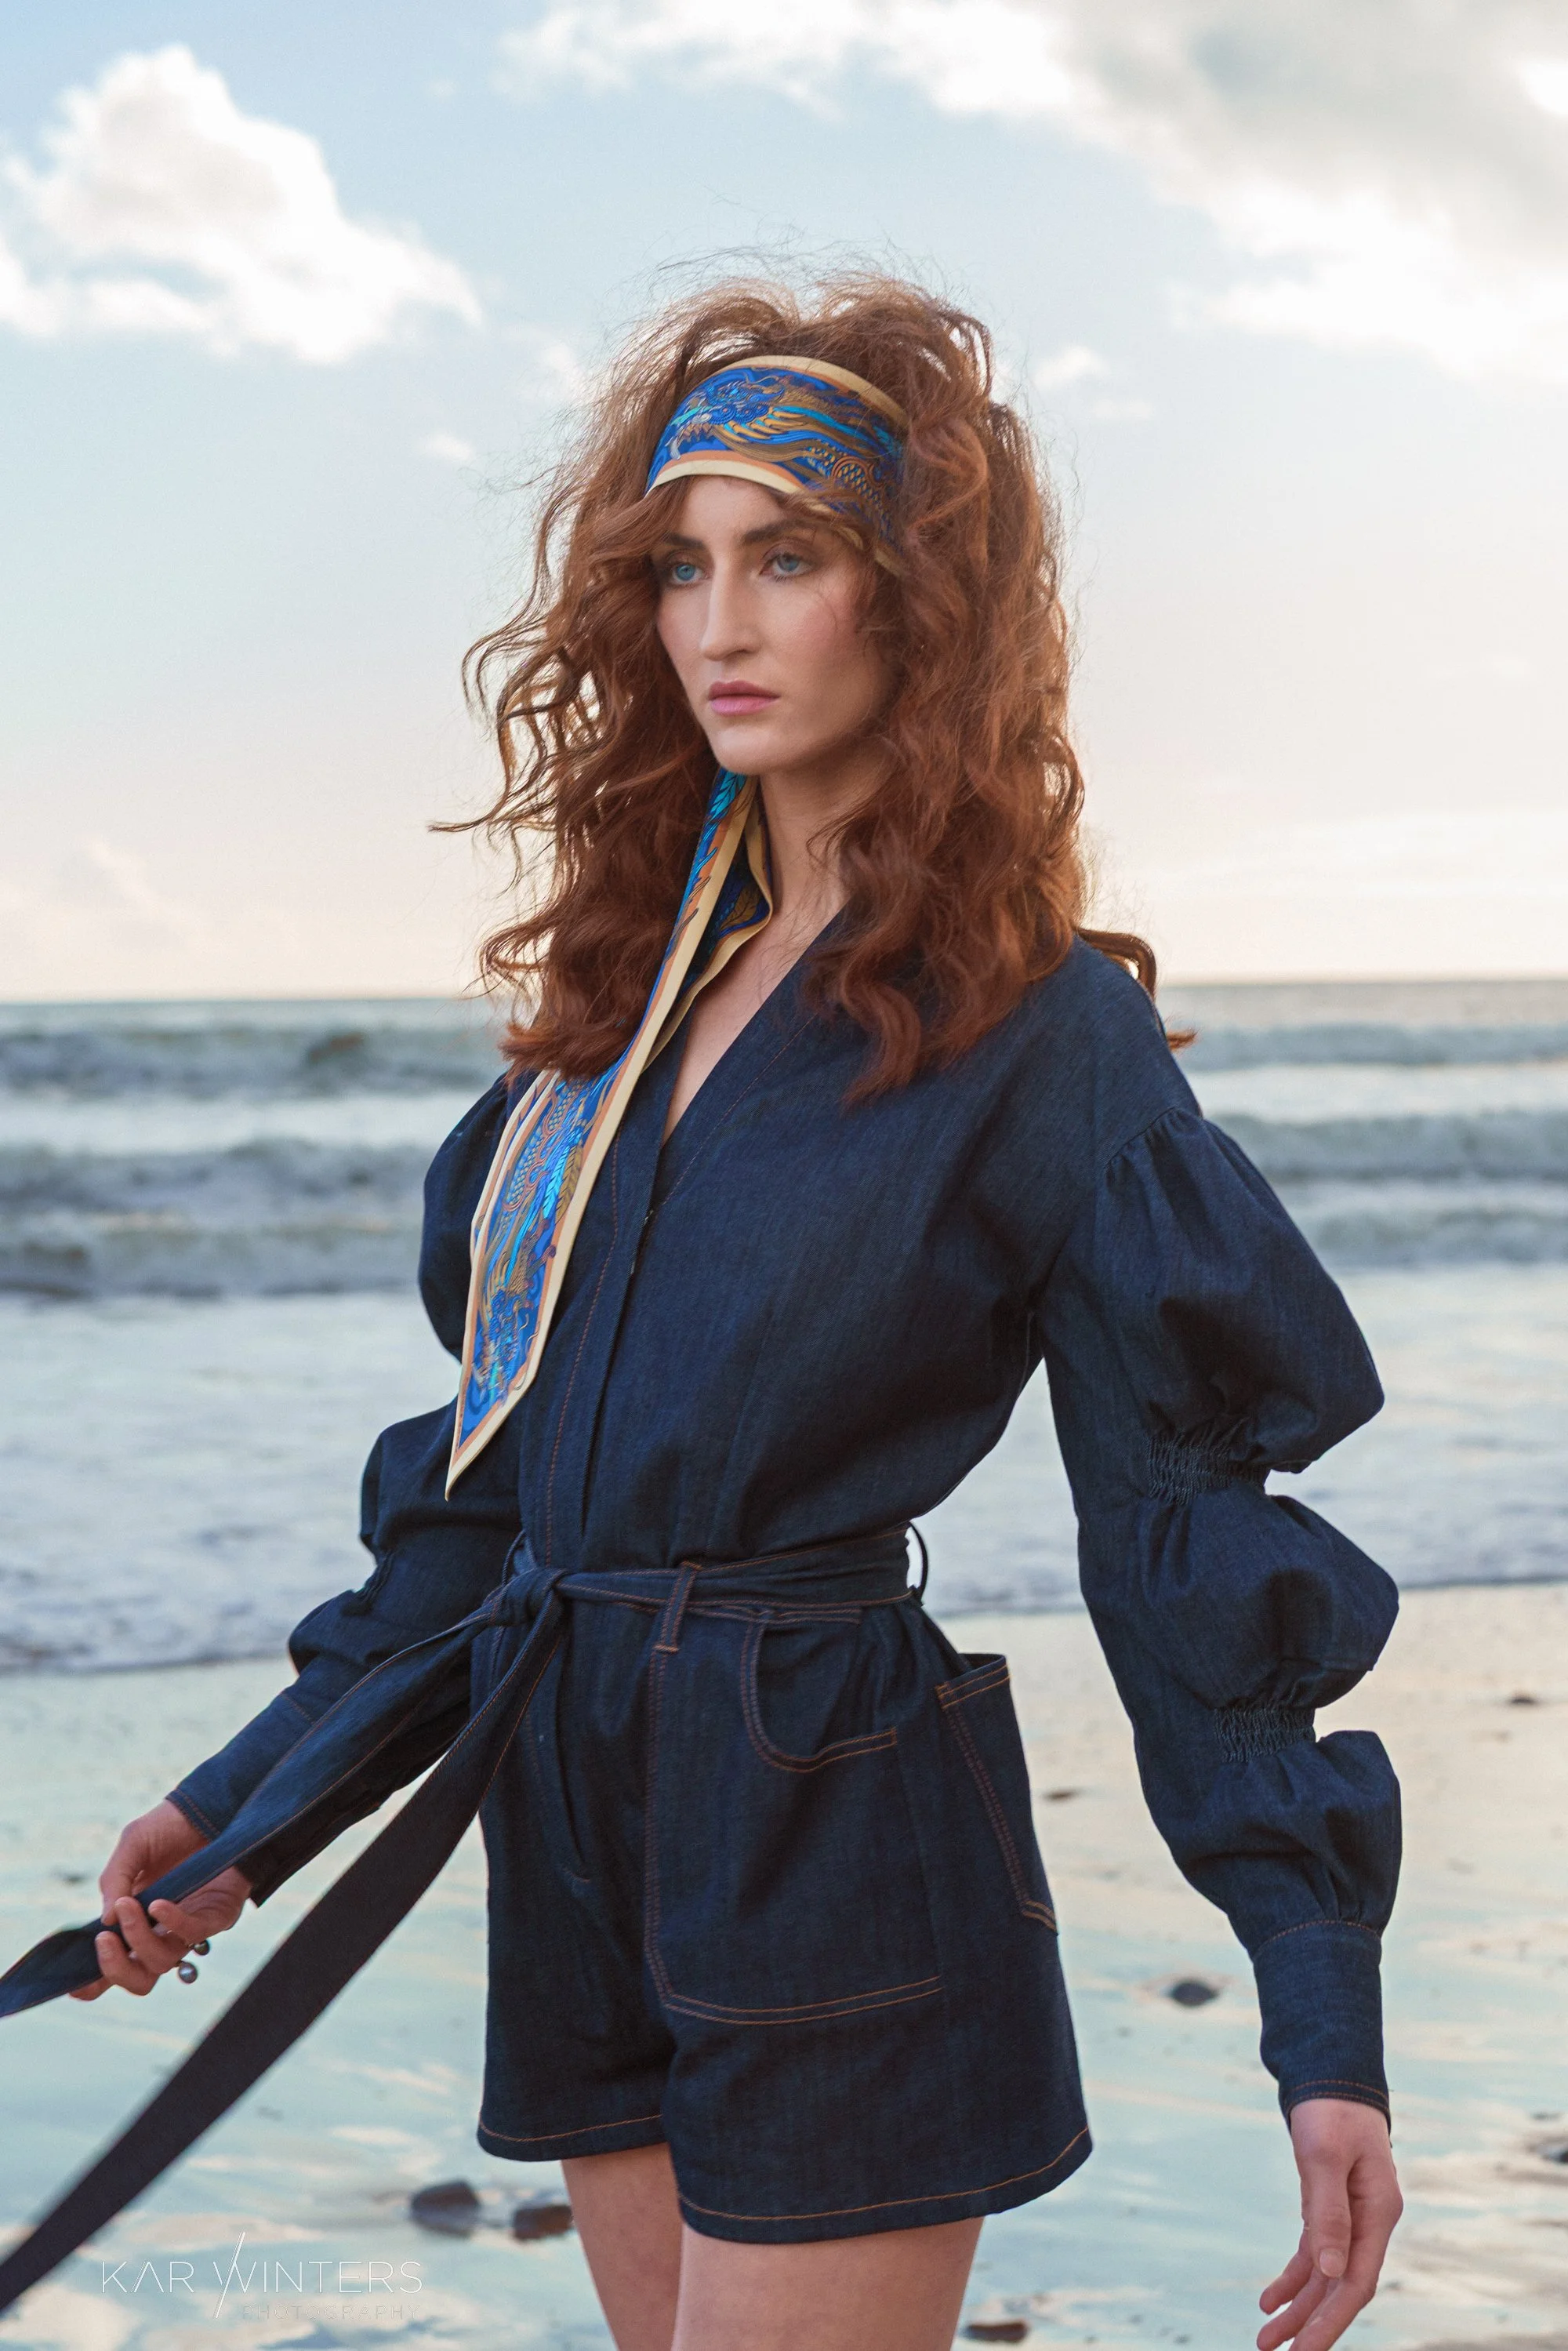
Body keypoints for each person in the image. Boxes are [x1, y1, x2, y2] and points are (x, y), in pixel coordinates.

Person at [75, 275, 1403, 2351]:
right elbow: (481, 1494)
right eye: (684, 566)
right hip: (574, 1812)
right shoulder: (604, 1026)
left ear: (918, 596)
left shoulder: (1042, 1039)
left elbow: (1190, 1536)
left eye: (788, 555)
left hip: (831, 1831)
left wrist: (1322, 2015)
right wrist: (257, 1798)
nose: (722, 621)